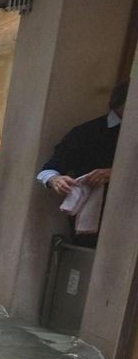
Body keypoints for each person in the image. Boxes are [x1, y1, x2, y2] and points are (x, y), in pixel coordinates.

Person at [38, 81, 125, 246]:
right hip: (94, 220)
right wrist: (56, 180)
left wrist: (116, 172)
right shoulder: (87, 133)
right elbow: (49, 170)